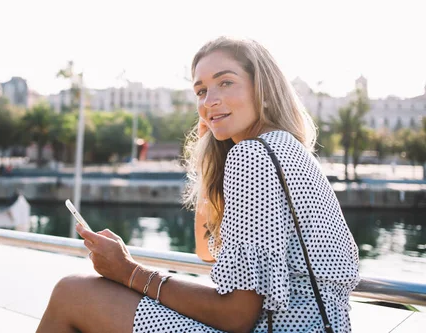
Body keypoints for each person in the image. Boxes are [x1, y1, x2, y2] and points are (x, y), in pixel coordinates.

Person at [36, 36, 360, 333]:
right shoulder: (281, 147)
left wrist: (128, 271)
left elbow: (236, 315)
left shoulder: (253, 155)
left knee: (73, 294)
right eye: (201, 91)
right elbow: (206, 251)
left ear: (261, 88)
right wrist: (211, 161)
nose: (210, 101)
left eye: (226, 82)